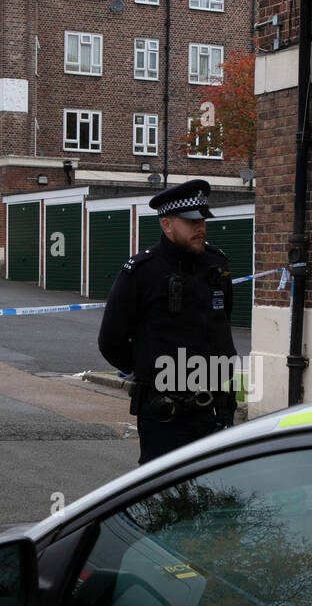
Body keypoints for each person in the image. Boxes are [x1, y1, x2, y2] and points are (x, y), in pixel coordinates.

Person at [98, 180, 238, 464]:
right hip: (165, 412)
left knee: (216, 490)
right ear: (167, 224)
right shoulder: (142, 272)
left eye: (203, 221)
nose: (200, 228)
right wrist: (146, 369)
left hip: (214, 407)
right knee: (164, 497)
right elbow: (111, 340)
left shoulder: (216, 263)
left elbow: (224, 320)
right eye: (191, 222)